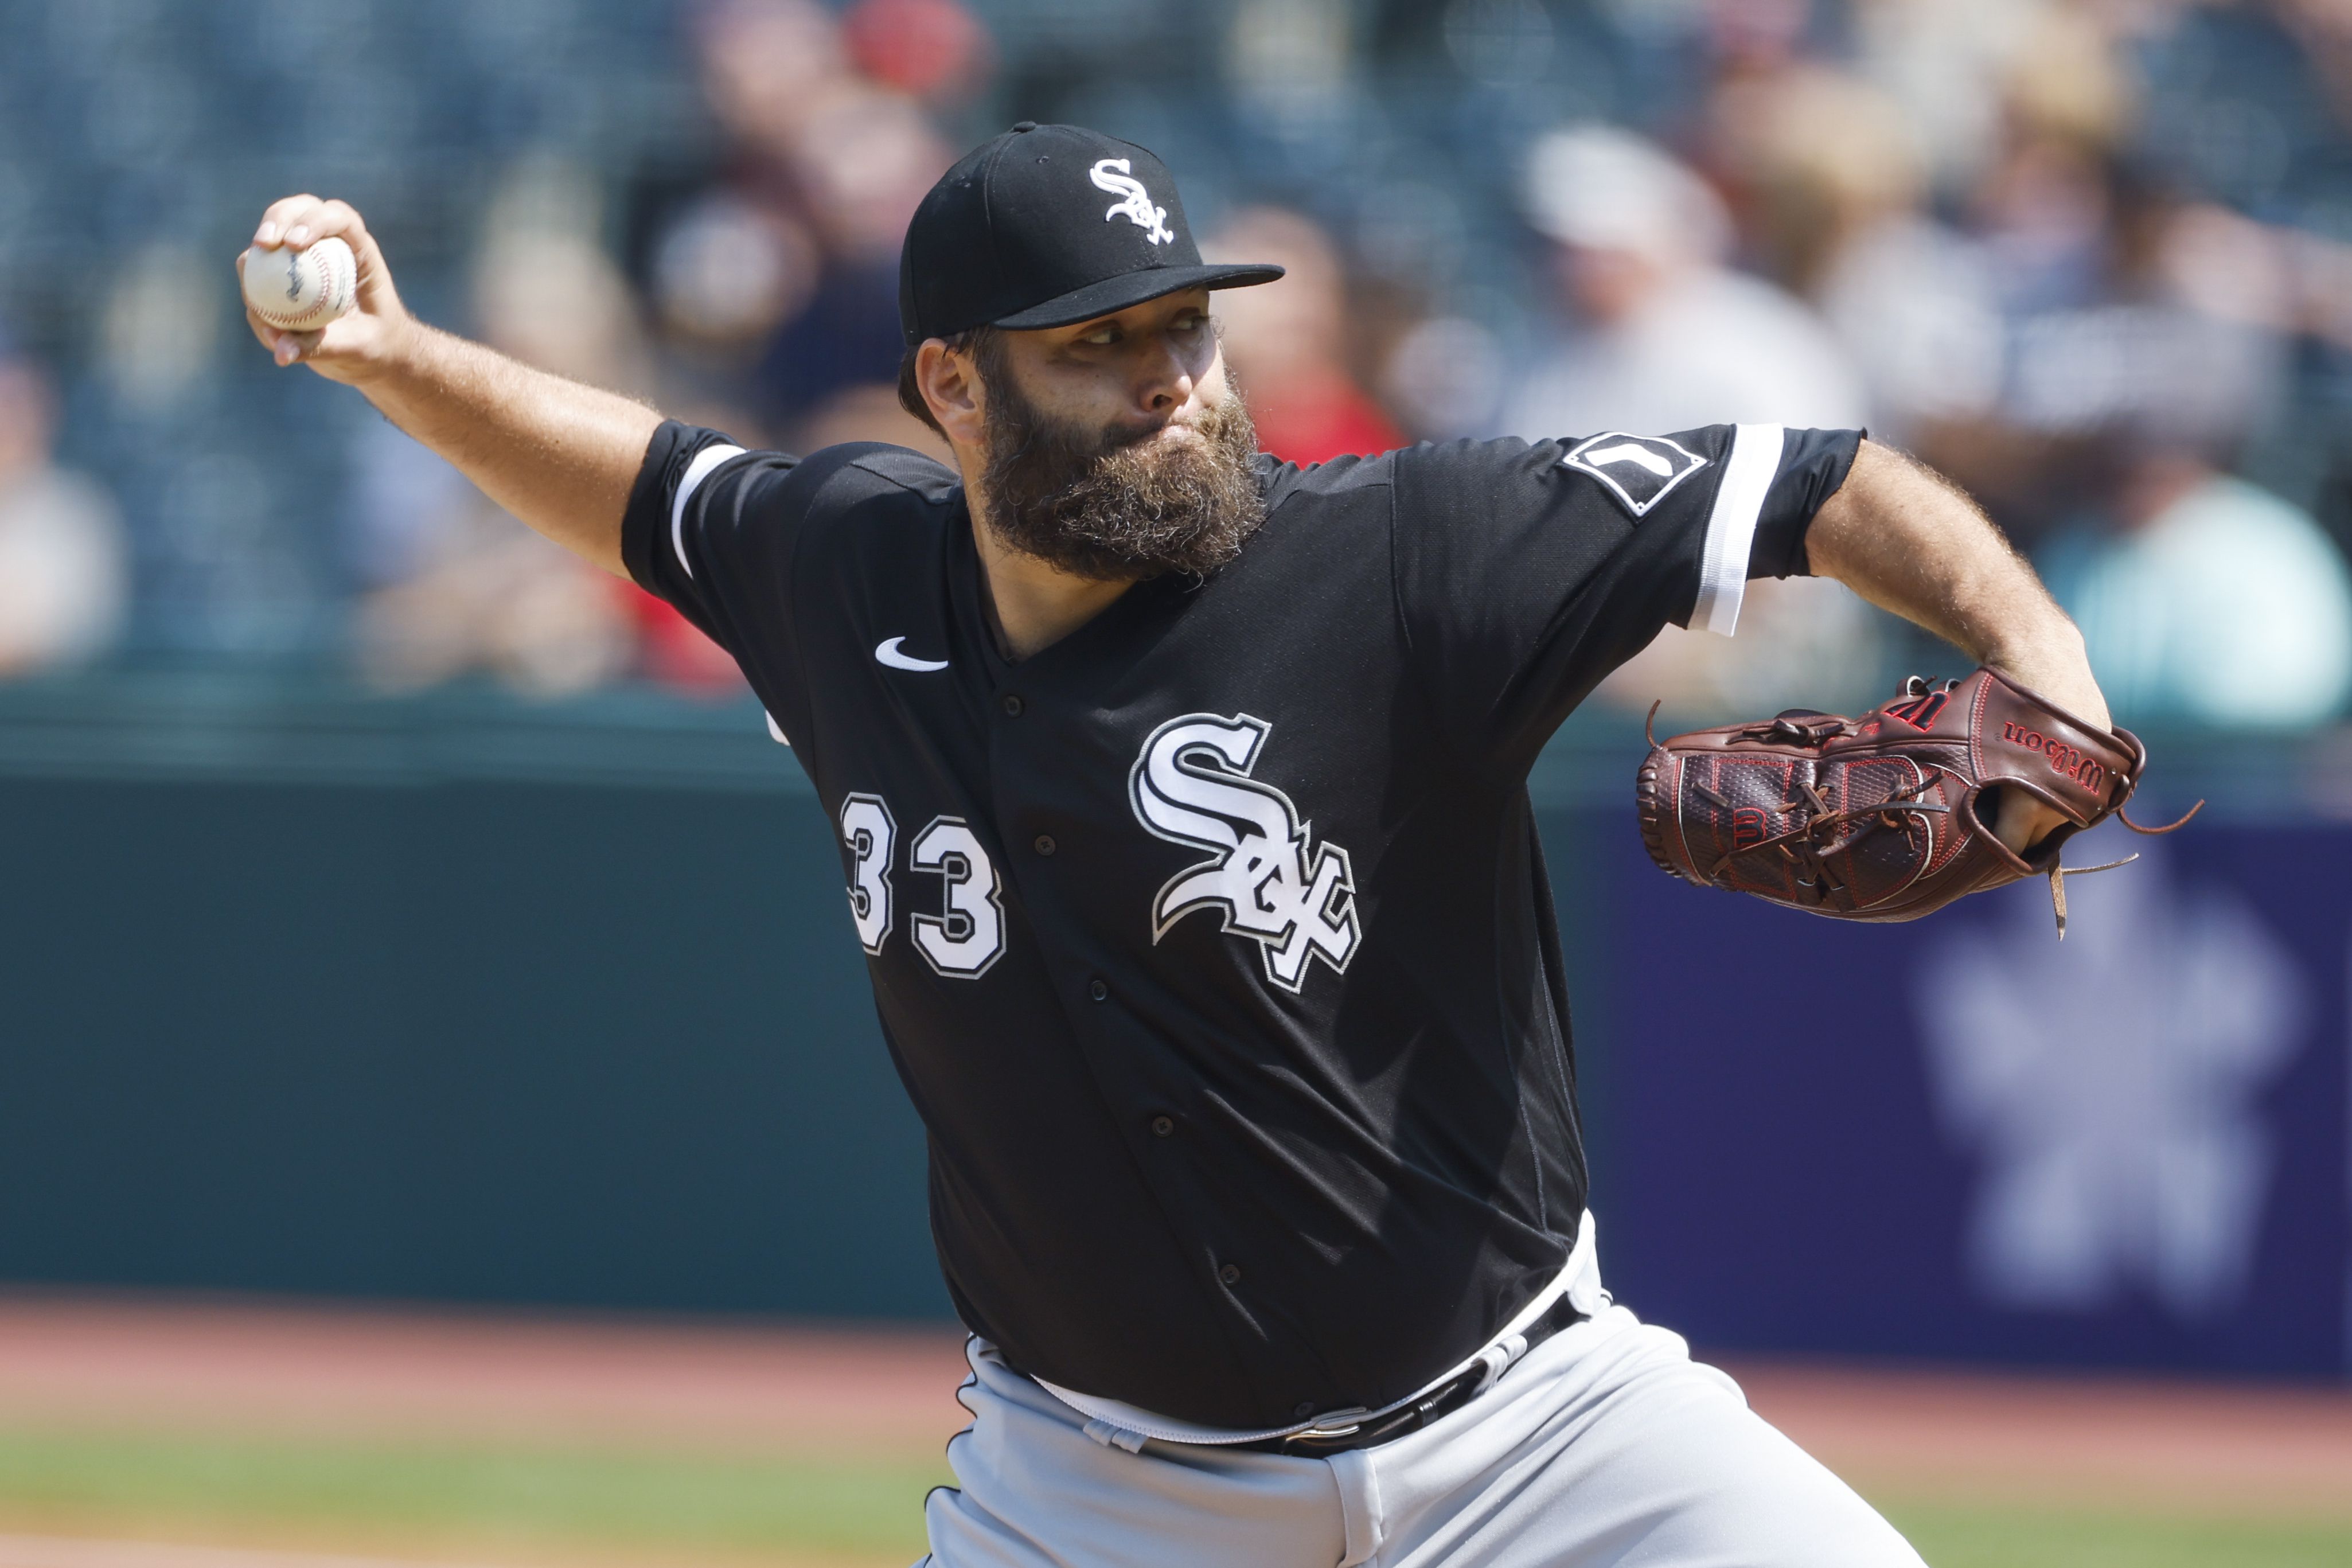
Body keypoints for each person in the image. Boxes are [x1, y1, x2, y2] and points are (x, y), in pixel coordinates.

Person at [239, 123, 2107, 1567]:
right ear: (953, 389)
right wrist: (390, 356)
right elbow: (652, 487)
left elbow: (1816, 480)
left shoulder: (1404, 551)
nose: (1173, 376)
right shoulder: (844, 566)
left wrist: (2046, 670)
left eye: (1186, 325)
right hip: (1096, 1490)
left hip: (1539, 1437)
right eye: (1100, 343)